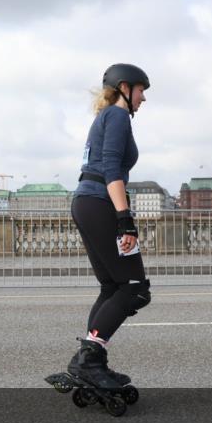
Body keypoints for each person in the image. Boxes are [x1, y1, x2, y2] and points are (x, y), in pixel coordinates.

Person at [66, 63, 152, 390]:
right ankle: (89, 360)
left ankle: (91, 360)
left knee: (112, 287)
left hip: (87, 202)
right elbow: (112, 170)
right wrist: (124, 221)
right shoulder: (117, 115)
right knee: (134, 288)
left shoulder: (104, 117)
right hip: (100, 203)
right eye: (141, 90)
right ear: (124, 88)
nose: (143, 98)